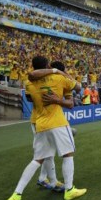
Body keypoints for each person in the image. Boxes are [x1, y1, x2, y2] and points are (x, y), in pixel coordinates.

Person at [6, 56, 86, 200]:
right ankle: (69, 189)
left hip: (40, 123)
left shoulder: (29, 83)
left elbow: (31, 91)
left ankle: (16, 195)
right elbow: (78, 88)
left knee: (37, 159)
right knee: (68, 154)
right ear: (48, 65)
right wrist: (61, 75)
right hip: (57, 122)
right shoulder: (59, 78)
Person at [28, 61, 76, 192]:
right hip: (43, 120)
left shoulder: (35, 81)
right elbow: (76, 90)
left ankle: (44, 178)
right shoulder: (57, 79)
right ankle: (50, 181)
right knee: (47, 154)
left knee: (48, 152)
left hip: (38, 119)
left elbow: (29, 98)